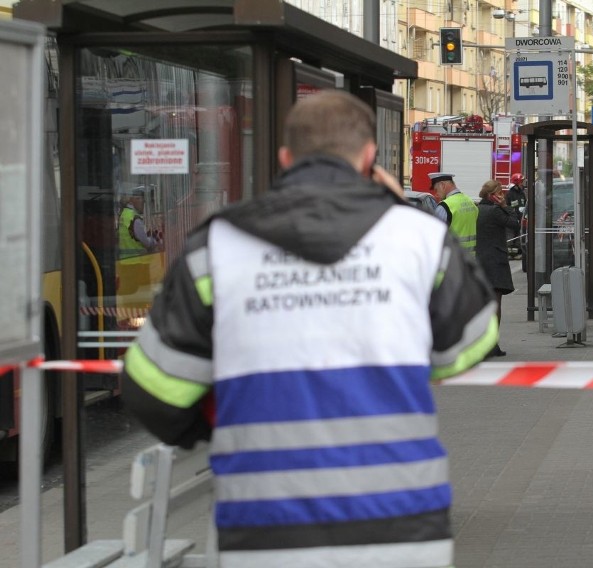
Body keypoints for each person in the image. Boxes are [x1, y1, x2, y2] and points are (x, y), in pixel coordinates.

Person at [120, 90, 499, 567]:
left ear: (285, 159)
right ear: (368, 158)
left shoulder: (215, 247)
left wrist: (221, 427)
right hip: (401, 521)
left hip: (264, 526)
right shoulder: (417, 236)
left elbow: (152, 389)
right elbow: (472, 341)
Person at [476, 179, 519, 357]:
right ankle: (492, 344)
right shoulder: (495, 211)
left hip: (478, 261)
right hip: (495, 261)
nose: (503, 196)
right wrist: (505, 205)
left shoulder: (477, 209)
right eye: (500, 193)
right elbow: (515, 224)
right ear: (492, 195)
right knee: (495, 303)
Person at [432, 171, 478, 256]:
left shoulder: (445, 206)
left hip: (453, 260)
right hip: (470, 260)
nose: (436, 194)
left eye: (436, 189)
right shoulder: (471, 202)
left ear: (442, 185)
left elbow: (434, 237)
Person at [117, 182, 160, 259]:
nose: (143, 204)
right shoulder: (134, 218)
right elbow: (146, 242)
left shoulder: (124, 214)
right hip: (137, 261)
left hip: (125, 260)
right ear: (134, 200)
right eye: (142, 201)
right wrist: (154, 241)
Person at [506, 172, 526, 262]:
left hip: (520, 218)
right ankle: (510, 254)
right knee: (511, 236)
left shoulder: (522, 193)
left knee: (518, 235)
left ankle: (517, 253)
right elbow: (507, 206)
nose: (523, 183)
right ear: (517, 182)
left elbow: (524, 203)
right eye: (521, 181)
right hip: (512, 219)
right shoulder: (510, 194)